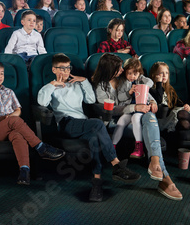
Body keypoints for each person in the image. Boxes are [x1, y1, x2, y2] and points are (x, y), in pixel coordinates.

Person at [39, 53, 141, 202]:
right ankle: (116, 165)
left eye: (68, 68)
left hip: (82, 123)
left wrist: (84, 81)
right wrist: (52, 85)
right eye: (62, 68)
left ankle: (97, 182)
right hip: (67, 123)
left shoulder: (77, 84)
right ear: (54, 70)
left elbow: (91, 99)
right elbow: (41, 102)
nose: (66, 71)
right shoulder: (50, 87)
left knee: (93, 139)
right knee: (98, 124)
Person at [92, 53, 182, 201]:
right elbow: (111, 110)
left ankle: (155, 162)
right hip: (116, 121)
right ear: (110, 70)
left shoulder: (128, 78)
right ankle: (164, 177)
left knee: (149, 116)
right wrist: (135, 106)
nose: (122, 70)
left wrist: (152, 103)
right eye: (119, 68)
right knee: (148, 121)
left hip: (136, 116)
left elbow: (145, 91)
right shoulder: (101, 86)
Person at [0, 60, 65, 185]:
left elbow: (18, 110)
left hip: (12, 125)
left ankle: (24, 171)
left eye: (2, 73)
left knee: (17, 136)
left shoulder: (9, 92)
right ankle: (41, 147)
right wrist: (4, 119)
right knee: (14, 120)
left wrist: (10, 117)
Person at [112, 58, 156, 158]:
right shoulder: (122, 82)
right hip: (129, 107)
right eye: (130, 73)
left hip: (141, 107)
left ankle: (139, 147)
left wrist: (143, 86)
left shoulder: (140, 79)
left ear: (139, 73)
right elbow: (120, 97)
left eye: (135, 74)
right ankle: (112, 146)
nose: (132, 76)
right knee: (121, 122)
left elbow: (150, 82)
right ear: (125, 72)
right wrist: (129, 92)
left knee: (135, 118)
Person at [149, 62, 190, 132]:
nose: (164, 75)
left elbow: (177, 101)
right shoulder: (151, 89)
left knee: (185, 123)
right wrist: (159, 83)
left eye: (166, 73)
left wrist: (184, 105)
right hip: (162, 119)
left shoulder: (169, 88)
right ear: (154, 75)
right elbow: (159, 100)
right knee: (179, 113)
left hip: (174, 119)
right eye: (161, 73)